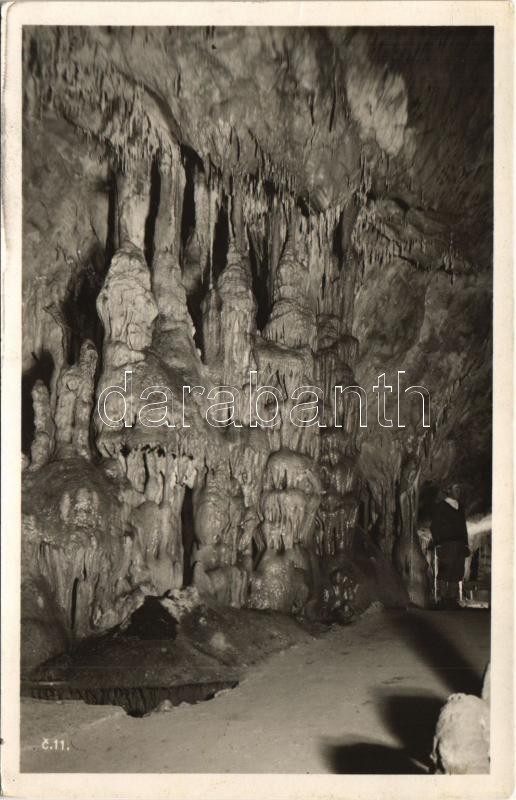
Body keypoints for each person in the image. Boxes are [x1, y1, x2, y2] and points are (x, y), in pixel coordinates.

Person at [430, 483, 470, 608]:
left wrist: (465, 544)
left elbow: (463, 527)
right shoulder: (441, 506)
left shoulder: (461, 507)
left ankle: (452, 599)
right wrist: (438, 543)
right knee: (444, 570)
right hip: (446, 543)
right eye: (456, 488)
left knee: (457, 570)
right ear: (448, 490)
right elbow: (434, 526)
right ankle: (442, 599)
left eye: (459, 488)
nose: (459, 491)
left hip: (459, 544)